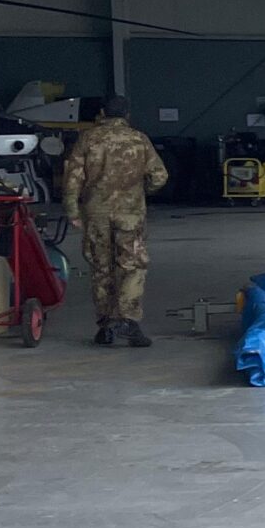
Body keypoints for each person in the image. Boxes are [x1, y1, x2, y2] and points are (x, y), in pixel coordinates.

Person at [58, 93, 168, 346]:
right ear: (126, 114)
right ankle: (128, 321)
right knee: (132, 266)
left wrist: (73, 212)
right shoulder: (139, 140)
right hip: (130, 214)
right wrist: (140, 191)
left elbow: (72, 179)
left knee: (101, 268)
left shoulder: (87, 139)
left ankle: (106, 325)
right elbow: (160, 176)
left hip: (95, 213)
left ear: (102, 113)